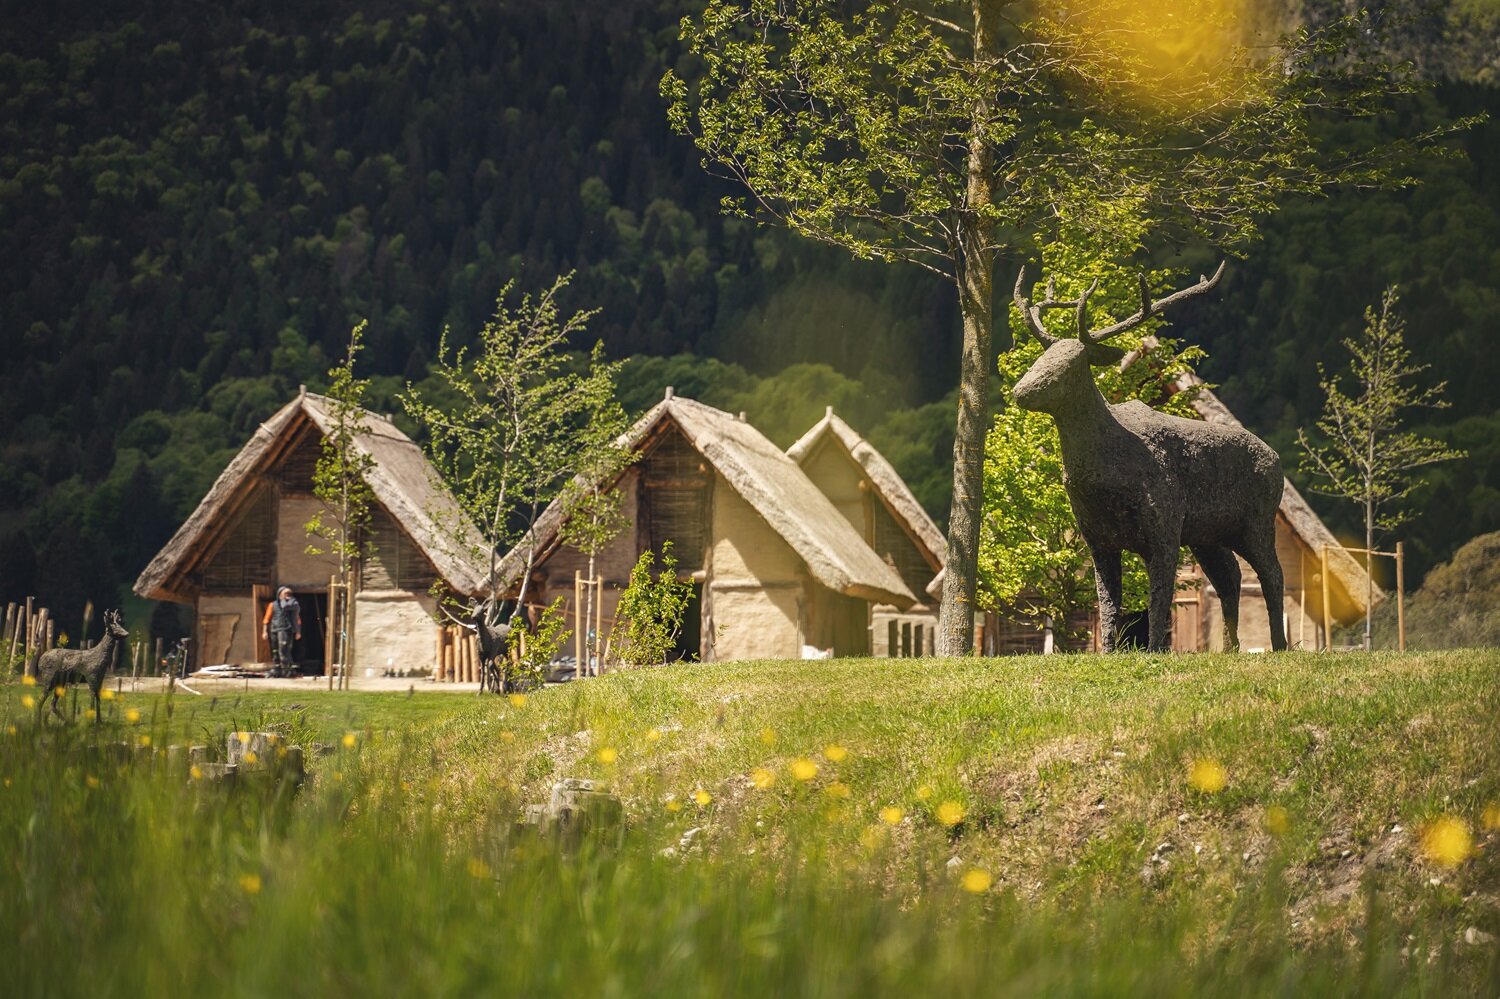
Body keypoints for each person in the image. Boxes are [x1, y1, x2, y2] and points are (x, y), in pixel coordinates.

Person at [262, 586, 301, 677]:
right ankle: (277, 669)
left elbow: (297, 618)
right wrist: (264, 631)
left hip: (285, 629)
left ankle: (287, 670)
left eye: (289, 594)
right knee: (274, 650)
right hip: (274, 629)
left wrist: (298, 631)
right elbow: (266, 619)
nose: (287, 596)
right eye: (285, 594)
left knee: (283, 650)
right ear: (279, 595)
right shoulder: (273, 605)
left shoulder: (292, 604)